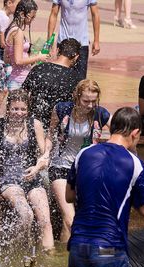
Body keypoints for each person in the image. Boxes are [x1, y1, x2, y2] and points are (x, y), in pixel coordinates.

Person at [65, 106, 144, 267]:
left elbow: (69, 195)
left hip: (78, 245)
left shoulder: (84, 153)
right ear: (135, 133)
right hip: (109, 248)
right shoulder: (135, 164)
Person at [0, 89, 54, 251]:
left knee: (45, 221)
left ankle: (50, 256)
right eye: (15, 109)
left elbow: (44, 156)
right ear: (8, 108)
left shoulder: (35, 125)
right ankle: (10, 249)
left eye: (23, 109)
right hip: (9, 181)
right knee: (26, 215)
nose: (19, 113)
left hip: (32, 179)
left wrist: (37, 167)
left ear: (28, 110)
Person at [45, 79, 110, 243]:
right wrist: (46, 153)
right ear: (77, 97)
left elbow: (119, 133)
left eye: (93, 101)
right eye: (86, 101)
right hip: (60, 167)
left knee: (78, 221)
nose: (89, 105)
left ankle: (67, 259)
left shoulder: (100, 114)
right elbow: (50, 135)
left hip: (87, 170)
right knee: (70, 219)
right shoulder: (61, 110)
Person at [22, 38, 81, 130]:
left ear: (57, 50)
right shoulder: (76, 79)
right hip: (56, 128)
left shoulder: (38, 69)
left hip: (32, 124)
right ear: (76, 57)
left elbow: (23, 95)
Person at [47, 0, 100, 82]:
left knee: (81, 80)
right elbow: (53, 14)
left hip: (82, 42)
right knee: (61, 77)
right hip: (63, 40)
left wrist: (96, 41)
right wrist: (49, 40)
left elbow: (95, 14)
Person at [4, 0, 48, 91]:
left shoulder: (11, 29)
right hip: (19, 81)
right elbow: (18, 61)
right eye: (32, 17)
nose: (32, 20)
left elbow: (6, 58)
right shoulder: (17, 32)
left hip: (15, 78)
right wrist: (38, 57)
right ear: (22, 14)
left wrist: (28, 57)